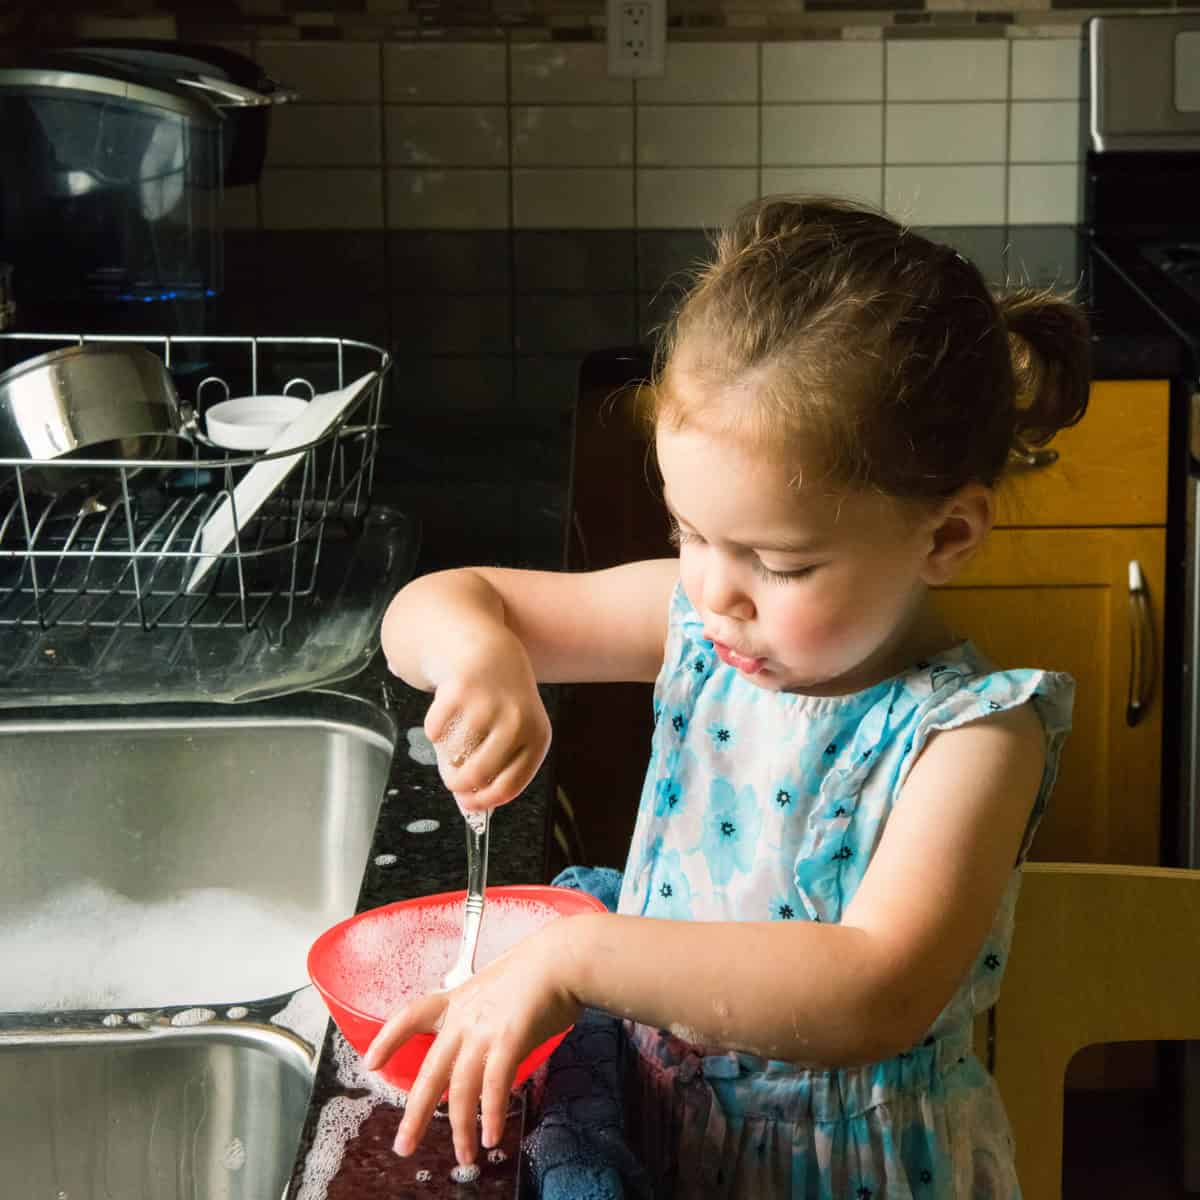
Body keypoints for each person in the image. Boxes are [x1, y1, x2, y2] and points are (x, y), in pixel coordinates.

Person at [364, 194, 1091, 1198]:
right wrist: (482, 655)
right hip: (675, 1147)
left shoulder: (972, 737)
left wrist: (583, 962)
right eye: (689, 533)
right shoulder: (701, 625)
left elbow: (873, 991)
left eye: (777, 564)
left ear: (946, 538)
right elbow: (428, 610)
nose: (714, 590)